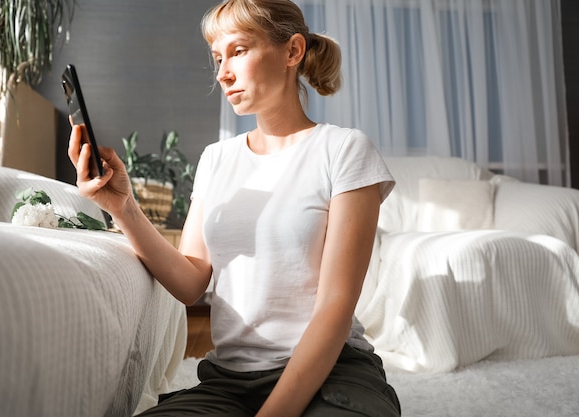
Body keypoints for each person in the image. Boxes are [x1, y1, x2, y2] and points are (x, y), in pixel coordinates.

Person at [68, 1, 400, 415]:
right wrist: (121, 206)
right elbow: (191, 282)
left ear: (292, 52)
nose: (223, 72)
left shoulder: (344, 150)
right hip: (229, 381)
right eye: (218, 57)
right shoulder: (216, 158)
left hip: (332, 372)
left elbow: (336, 305)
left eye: (239, 51)